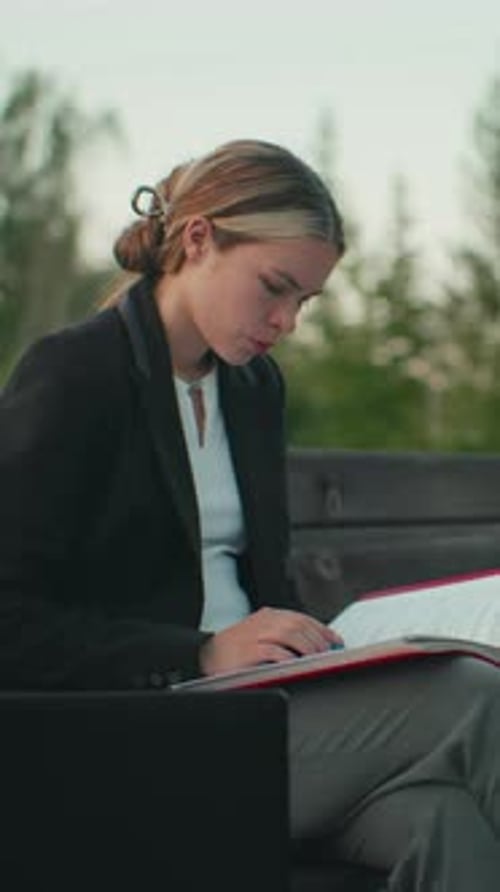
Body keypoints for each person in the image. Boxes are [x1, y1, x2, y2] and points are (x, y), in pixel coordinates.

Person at [2, 138, 500, 890]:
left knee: (443, 821)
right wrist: (201, 651)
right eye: (274, 286)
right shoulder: (77, 374)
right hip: (139, 735)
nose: (287, 321)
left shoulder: (252, 389)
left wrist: (333, 644)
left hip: (273, 716)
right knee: (474, 699)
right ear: (198, 238)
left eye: (303, 299)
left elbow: (253, 581)